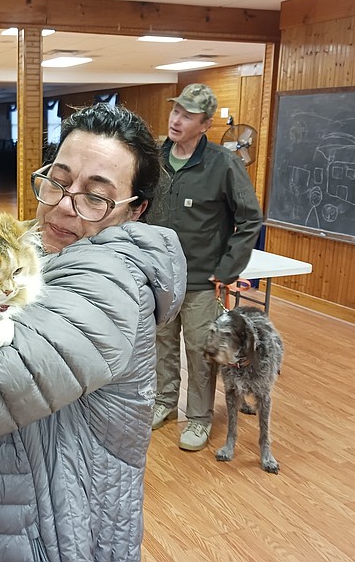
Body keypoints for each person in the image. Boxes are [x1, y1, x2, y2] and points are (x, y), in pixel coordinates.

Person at [0, 103, 187, 561]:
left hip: (57, 539)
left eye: (95, 196)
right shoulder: (31, 253)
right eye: (58, 180)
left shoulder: (111, 288)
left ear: (134, 210)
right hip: (0, 518)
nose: (65, 205)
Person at [147, 83, 263, 451]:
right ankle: (165, 403)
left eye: (187, 115)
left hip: (200, 279)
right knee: (161, 344)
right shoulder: (154, 158)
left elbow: (249, 218)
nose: (176, 119)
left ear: (206, 123)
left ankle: (198, 418)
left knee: (199, 350)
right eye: (175, 111)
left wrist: (228, 267)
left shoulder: (222, 163)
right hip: (159, 276)